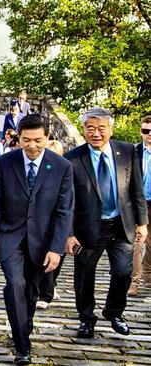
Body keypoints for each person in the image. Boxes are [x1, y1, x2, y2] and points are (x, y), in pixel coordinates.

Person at [0, 114, 73, 365]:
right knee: (15, 285)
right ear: (17, 138)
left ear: (47, 137)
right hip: (9, 237)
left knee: (32, 291)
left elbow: (64, 211)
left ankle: (25, 323)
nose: (32, 146)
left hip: (42, 241)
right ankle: (22, 344)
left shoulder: (62, 167)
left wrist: (56, 249)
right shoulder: (3, 163)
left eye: (37, 140)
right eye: (26, 140)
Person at [65, 107, 147, 339]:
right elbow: (67, 201)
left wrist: (142, 223)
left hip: (121, 223)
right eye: (91, 128)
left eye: (101, 128)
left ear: (110, 128)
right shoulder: (73, 159)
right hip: (88, 227)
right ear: (84, 130)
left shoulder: (127, 151)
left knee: (123, 271)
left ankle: (114, 312)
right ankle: (86, 319)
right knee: (85, 275)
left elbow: (137, 190)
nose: (96, 133)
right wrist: (69, 233)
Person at [36, 139, 66, 309]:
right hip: (41, 222)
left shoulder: (64, 170)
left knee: (56, 257)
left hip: (59, 221)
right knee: (43, 257)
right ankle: (45, 292)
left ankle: (49, 288)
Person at [132, 114, 151, 296]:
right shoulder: (134, 152)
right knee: (136, 243)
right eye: (146, 131)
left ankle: (148, 275)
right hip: (138, 203)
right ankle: (134, 282)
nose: (149, 134)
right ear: (141, 131)